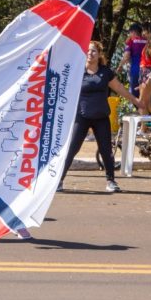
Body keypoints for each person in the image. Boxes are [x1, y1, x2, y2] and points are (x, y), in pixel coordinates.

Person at [61, 41, 143, 193]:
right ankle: (59, 181)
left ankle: (111, 181)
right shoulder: (77, 71)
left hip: (101, 117)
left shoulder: (105, 73)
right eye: (88, 51)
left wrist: (135, 101)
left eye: (93, 51)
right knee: (72, 149)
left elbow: (119, 88)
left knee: (106, 150)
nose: (90, 54)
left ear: (99, 55)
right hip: (81, 117)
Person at [117, 23, 147, 97]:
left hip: (136, 71)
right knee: (147, 97)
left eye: (129, 32)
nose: (129, 34)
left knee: (135, 96)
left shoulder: (131, 42)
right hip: (148, 71)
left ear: (133, 32)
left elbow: (126, 56)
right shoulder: (148, 41)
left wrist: (120, 66)